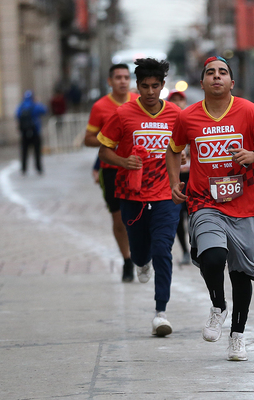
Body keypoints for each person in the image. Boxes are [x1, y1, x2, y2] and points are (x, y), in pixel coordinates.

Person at [166, 56, 254, 361]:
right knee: (213, 256)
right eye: (210, 73)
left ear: (232, 82)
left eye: (222, 73)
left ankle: (238, 335)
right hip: (204, 202)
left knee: (242, 274)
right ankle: (218, 305)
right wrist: (174, 181)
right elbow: (173, 150)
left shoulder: (249, 111)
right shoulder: (187, 117)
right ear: (201, 82)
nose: (216, 77)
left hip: (244, 205)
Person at [98, 58, 182, 336]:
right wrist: (124, 162)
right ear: (137, 86)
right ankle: (139, 262)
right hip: (131, 195)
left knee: (162, 251)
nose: (149, 92)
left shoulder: (175, 115)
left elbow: (187, 146)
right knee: (140, 253)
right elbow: (104, 150)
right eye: (144, 86)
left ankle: (161, 312)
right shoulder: (123, 114)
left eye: (154, 86)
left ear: (162, 86)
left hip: (165, 194)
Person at [84, 64, 139, 283]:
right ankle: (127, 261)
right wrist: (109, 140)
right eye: (118, 77)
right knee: (119, 220)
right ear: (110, 81)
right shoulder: (100, 107)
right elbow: (88, 139)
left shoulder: (138, 102)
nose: (122, 81)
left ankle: (141, 255)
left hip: (137, 169)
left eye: (126, 77)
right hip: (111, 171)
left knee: (139, 218)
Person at [167, 90, 191, 265]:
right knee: (178, 217)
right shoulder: (166, 124)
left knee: (195, 215)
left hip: (192, 176)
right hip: (175, 177)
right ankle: (185, 251)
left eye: (180, 100)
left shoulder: (192, 122)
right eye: (173, 100)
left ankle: (197, 247)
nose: (177, 102)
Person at [15, 90, 47, 175]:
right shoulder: (35, 105)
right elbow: (44, 110)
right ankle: (38, 168)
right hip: (35, 132)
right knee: (37, 152)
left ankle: (24, 169)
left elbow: (17, 115)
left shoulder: (21, 106)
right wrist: (38, 102)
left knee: (24, 152)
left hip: (24, 133)